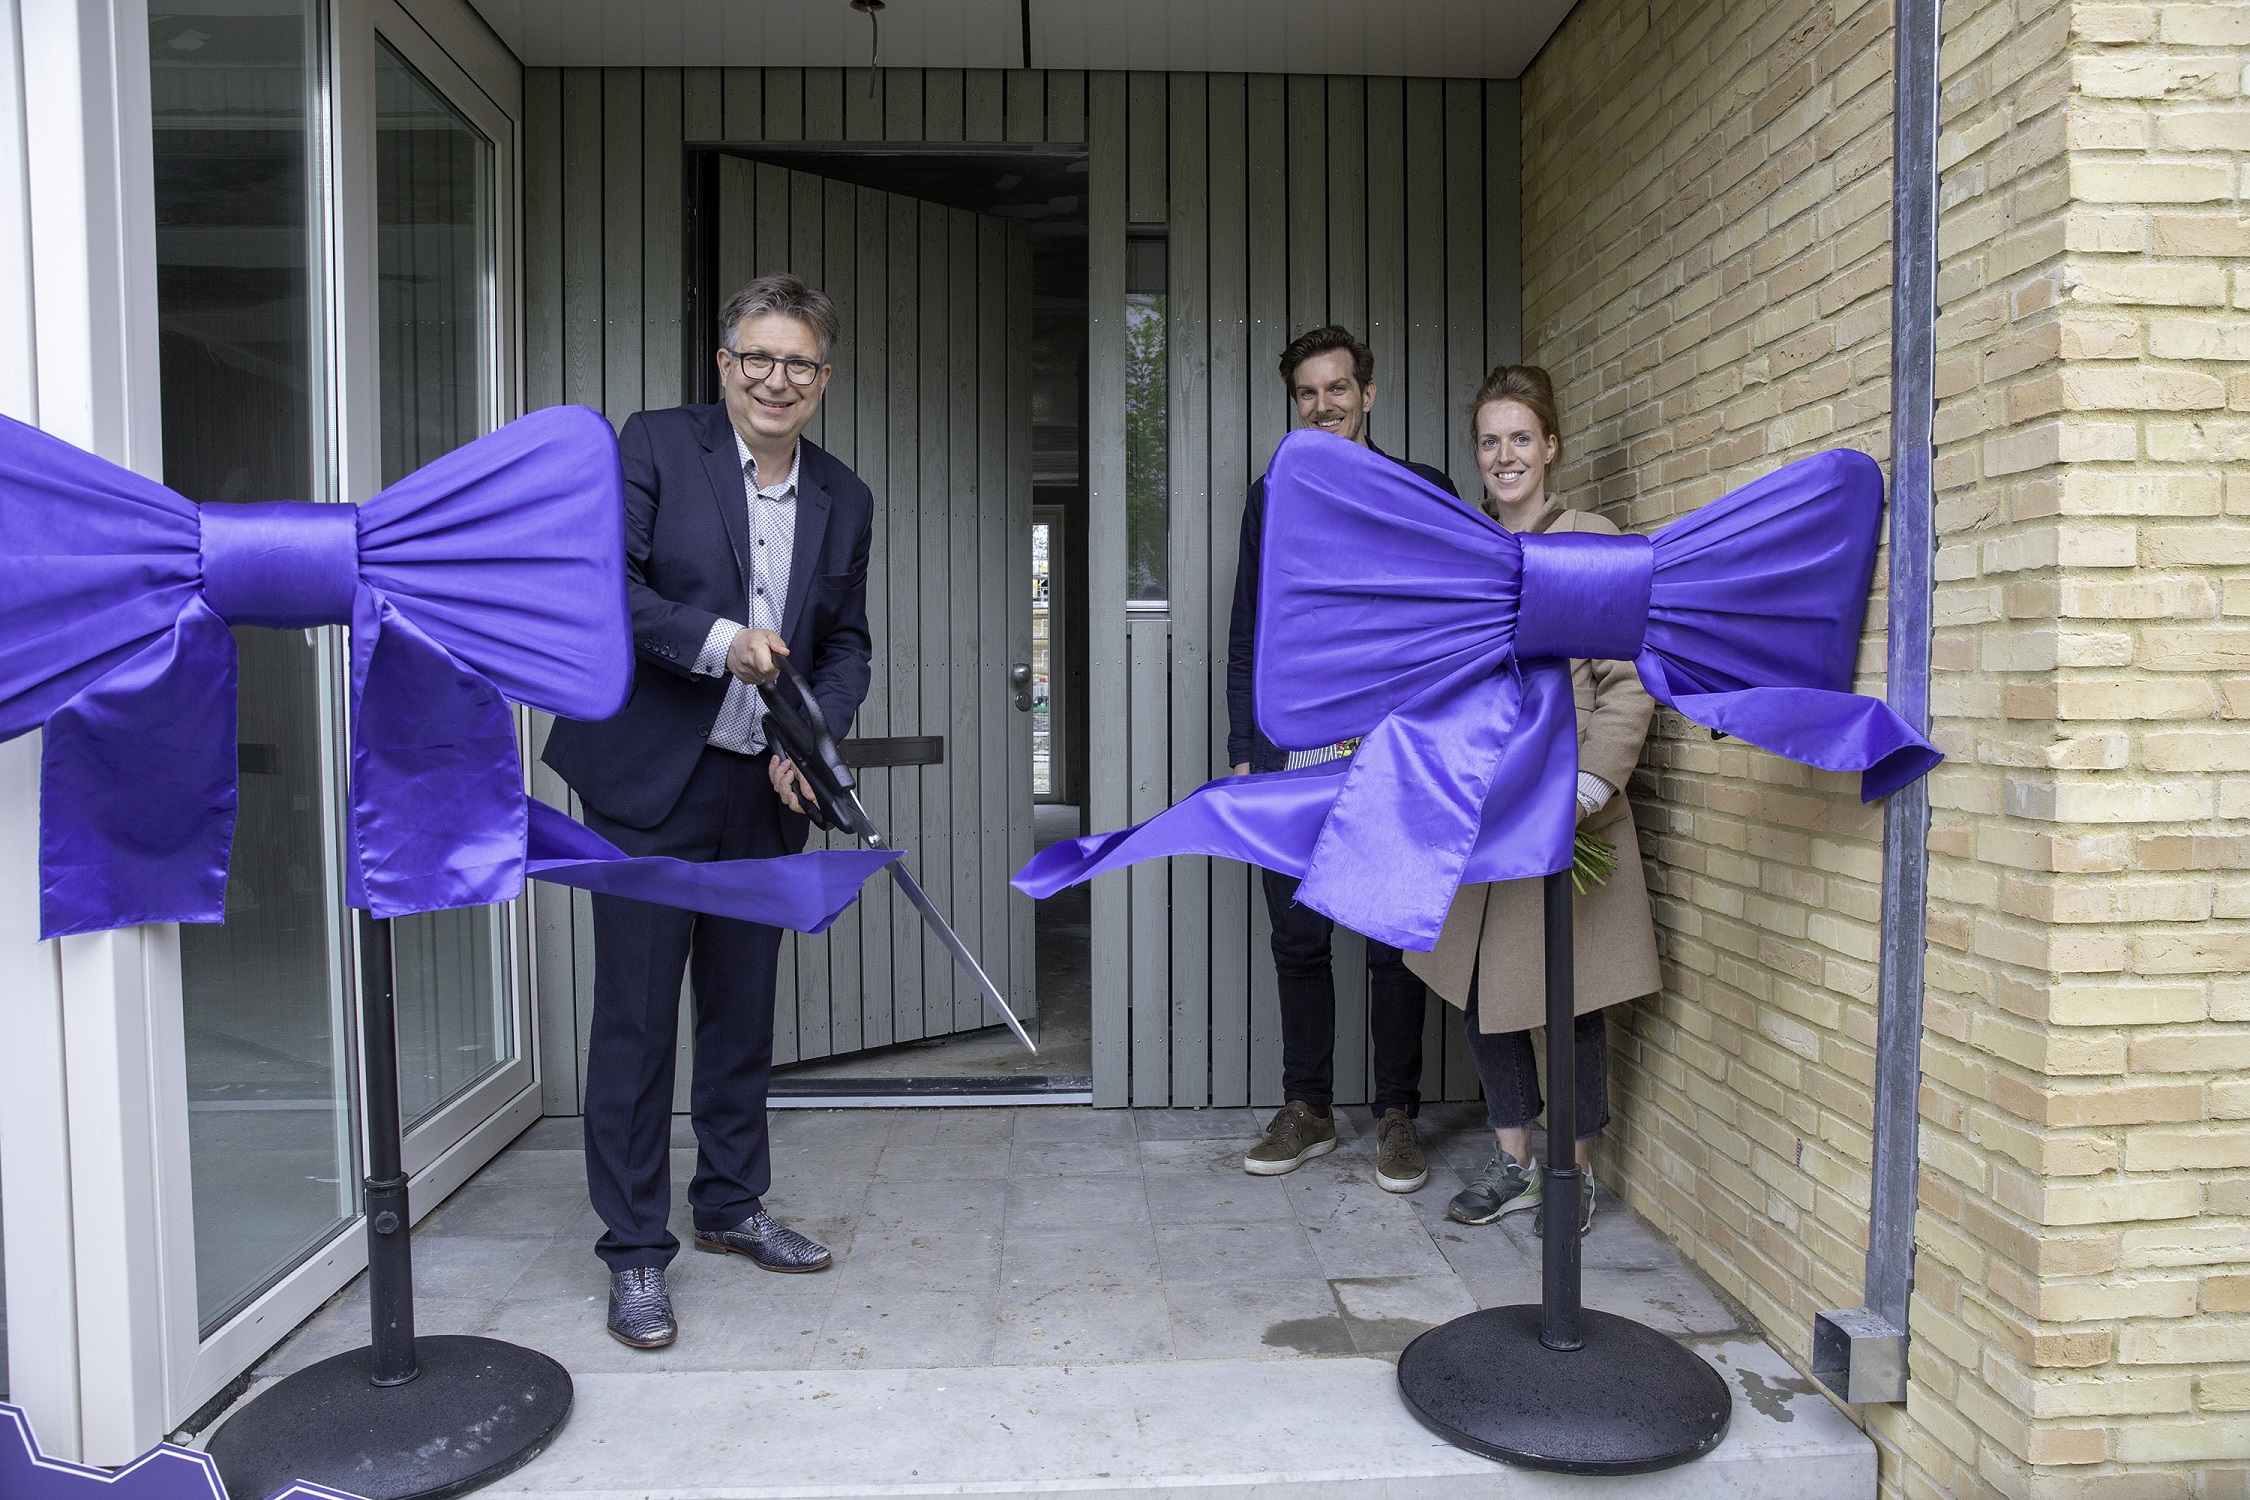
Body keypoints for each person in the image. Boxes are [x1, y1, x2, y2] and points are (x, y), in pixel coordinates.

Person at [542, 274, 874, 1347]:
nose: (778, 380)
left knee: (740, 1018)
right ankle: (636, 1252)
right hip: (648, 783)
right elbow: (604, 587)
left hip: (756, 791)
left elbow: (844, 645)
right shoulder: (651, 445)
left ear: (822, 379)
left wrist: (805, 742)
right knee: (636, 1023)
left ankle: (730, 1204)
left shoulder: (844, 496)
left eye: (800, 364)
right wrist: (719, 638)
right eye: (757, 359)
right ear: (725, 365)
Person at [1410, 363, 1659, 1236]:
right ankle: (1511, 1158)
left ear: (1550, 447)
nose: (1505, 455)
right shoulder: (1468, 547)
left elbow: (1628, 683)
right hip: (1482, 811)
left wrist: (1588, 788)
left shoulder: (1588, 538)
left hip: (1565, 815)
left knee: (1569, 999)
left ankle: (1571, 1174)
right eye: (1490, 441)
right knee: (1484, 992)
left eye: (1521, 438)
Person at [1227, 325, 1455, 1193]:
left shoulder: (1420, 489)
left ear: (1368, 394)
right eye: (1307, 394)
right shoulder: (1272, 495)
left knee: (1392, 939)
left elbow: (1455, 623)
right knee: (1298, 937)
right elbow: (1250, 628)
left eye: (1338, 389)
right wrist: (1244, 749)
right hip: (1292, 748)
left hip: (1394, 750)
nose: (1323, 406)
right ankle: (1310, 1110)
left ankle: (1398, 1115)